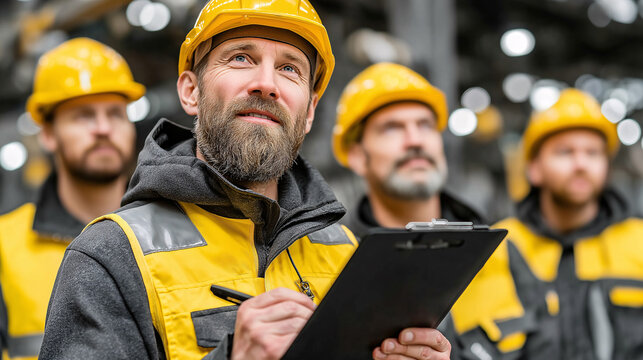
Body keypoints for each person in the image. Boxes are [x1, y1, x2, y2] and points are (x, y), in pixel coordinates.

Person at [40, 1, 451, 359]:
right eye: (240, 58)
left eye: (290, 68)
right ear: (191, 92)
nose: (266, 84)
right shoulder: (109, 257)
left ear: (309, 112)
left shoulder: (346, 254)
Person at [448, 89, 643, 359]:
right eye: (565, 152)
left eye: (593, 153)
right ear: (534, 169)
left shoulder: (639, 243)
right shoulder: (494, 250)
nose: (581, 163)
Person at [0, 37, 144, 359]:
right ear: (48, 134)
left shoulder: (171, 233)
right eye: (84, 115)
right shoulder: (4, 246)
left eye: (116, 114)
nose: (104, 128)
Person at [332, 62, 483, 239]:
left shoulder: (499, 254)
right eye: (392, 128)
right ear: (357, 157)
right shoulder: (337, 260)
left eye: (425, 125)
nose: (416, 141)